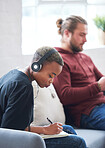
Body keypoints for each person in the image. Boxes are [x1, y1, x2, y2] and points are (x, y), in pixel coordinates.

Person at [0, 46, 87, 148]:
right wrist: (44, 130)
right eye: (50, 75)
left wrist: (46, 128)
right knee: (79, 142)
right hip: (10, 140)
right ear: (36, 66)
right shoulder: (23, 87)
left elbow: (15, 123)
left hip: (10, 134)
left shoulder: (14, 74)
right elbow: (11, 129)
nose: (51, 81)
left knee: (68, 129)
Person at [53, 15, 105, 130]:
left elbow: (102, 80)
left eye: (86, 35)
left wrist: (100, 85)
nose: (85, 40)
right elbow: (65, 95)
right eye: (82, 35)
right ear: (67, 33)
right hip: (87, 112)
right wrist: (97, 87)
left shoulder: (85, 57)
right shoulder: (58, 60)